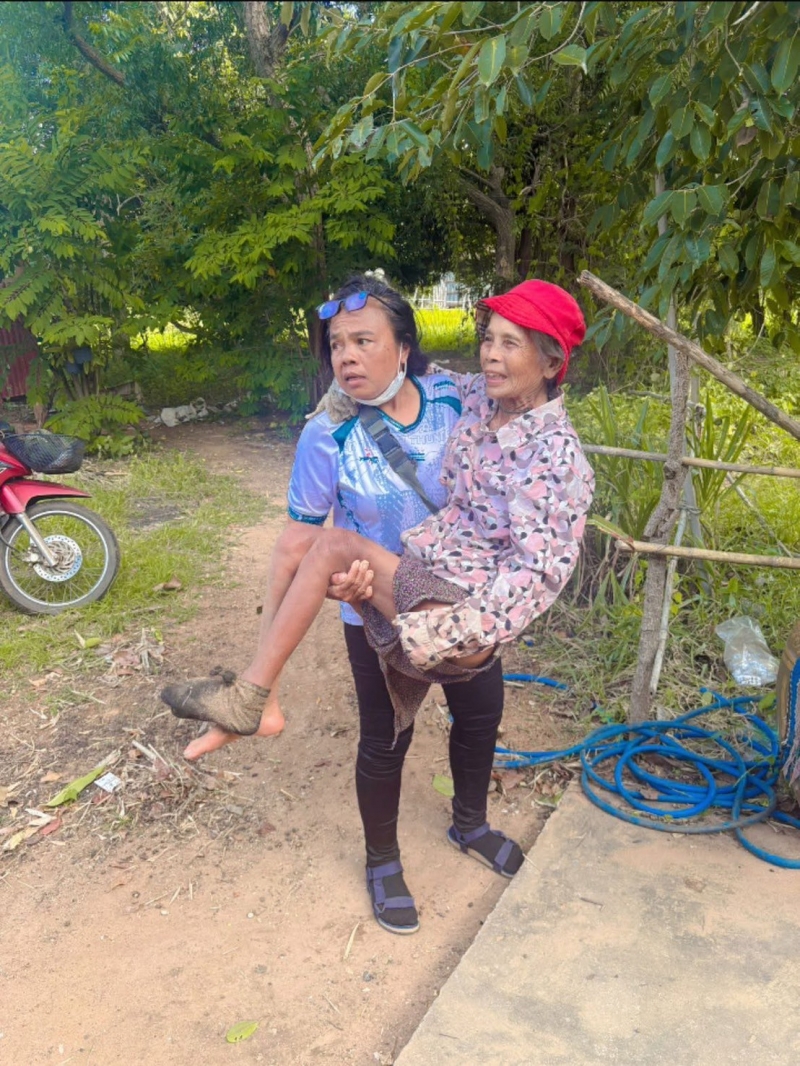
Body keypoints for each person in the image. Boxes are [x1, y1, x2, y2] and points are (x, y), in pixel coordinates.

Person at [162, 274, 595, 934]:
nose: (348, 357)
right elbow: (295, 547)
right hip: (373, 601)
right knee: (385, 735)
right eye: (336, 345)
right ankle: (381, 860)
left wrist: (465, 627)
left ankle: (469, 824)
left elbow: (538, 566)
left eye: (364, 341)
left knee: (479, 718)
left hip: (462, 611)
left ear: (405, 347)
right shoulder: (336, 431)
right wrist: (309, 613)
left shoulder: (469, 406)